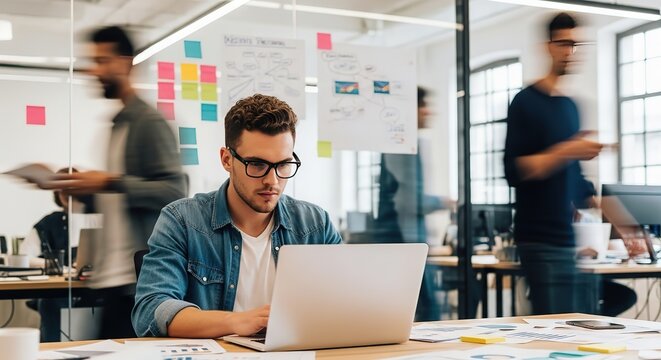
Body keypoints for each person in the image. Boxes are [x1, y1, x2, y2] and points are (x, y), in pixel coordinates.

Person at [132, 94, 342, 338]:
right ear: (227, 159)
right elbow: (151, 310)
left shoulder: (315, 225)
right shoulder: (182, 220)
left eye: (283, 165)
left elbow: (345, 300)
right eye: (257, 164)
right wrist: (236, 322)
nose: (272, 181)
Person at [50, 26, 186, 338]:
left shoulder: (148, 123)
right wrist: (81, 191)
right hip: (112, 280)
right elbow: (119, 200)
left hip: (138, 284)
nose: (94, 70)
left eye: (102, 61)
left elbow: (174, 193)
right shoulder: (118, 125)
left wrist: (108, 182)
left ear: (125, 63)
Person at [503, 13, 603, 314]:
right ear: (549, 46)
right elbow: (515, 170)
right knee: (550, 333)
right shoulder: (525, 102)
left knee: (575, 332)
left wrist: (624, 224)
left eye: (577, 44)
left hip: (567, 240)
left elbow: (575, 179)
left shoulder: (570, 106)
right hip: (538, 240)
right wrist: (569, 149)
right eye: (565, 44)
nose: (571, 52)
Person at [376, 87, 453, 321]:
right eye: (422, 105)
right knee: (427, 310)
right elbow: (409, 201)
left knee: (421, 309)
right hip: (404, 238)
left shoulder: (406, 144)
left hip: (407, 238)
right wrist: (444, 202)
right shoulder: (404, 147)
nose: (428, 111)